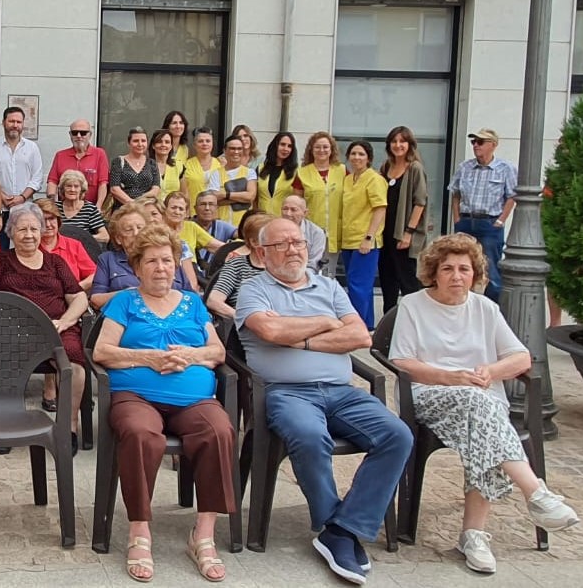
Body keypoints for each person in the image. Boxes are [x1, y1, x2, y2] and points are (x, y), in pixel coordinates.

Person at [235, 217, 412, 586]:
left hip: (342, 391)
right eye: (282, 244)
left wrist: (301, 339)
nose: (293, 250)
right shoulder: (254, 290)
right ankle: (335, 527)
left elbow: (361, 336)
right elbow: (270, 330)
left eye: (297, 242)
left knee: (398, 435)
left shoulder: (329, 286)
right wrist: (326, 323)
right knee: (309, 435)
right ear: (262, 253)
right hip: (285, 391)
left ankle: (341, 530)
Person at [388, 234, 579, 574]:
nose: (457, 276)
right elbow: (402, 362)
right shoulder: (413, 305)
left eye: (464, 269)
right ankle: (532, 495)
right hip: (429, 395)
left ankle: (473, 536)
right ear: (434, 272)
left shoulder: (486, 308)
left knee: (482, 421)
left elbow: (520, 357)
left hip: (479, 402)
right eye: (448, 268)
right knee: (483, 408)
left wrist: (490, 371)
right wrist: (453, 378)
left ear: (475, 274)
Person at [92, 224, 236, 583]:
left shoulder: (193, 303)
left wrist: (191, 355)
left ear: (176, 265)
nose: (161, 268)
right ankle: (139, 531)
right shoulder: (124, 301)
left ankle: (202, 534)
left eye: (167, 261)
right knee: (141, 434)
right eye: (152, 261)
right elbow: (102, 352)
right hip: (136, 396)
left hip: (193, 399)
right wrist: (148, 358)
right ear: (137, 267)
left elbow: (217, 351)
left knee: (219, 430)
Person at [0, 203, 90, 454]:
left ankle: (68, 427)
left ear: (41, 231)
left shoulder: (55, 262)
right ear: (11, 233)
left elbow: (79, 297)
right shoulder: (1, 260)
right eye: (22, 229)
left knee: (73, 360)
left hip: (54, 329)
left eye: (33, 228)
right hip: (13, 330)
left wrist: (66, 321)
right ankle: (5, 426)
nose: (29, 234)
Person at [449, 127, 516, 302]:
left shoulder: (505, 168)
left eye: (480, 142)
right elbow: (455, 193)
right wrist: (457, 218)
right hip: (466, 221)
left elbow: (511, 196)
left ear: (493, 145)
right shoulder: (465, 167)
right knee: (462, 266)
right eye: (473, 142)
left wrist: (501, 221)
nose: (476, 146)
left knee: (491, 271)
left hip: (489, 224)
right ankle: (463, 305)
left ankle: (493, 311)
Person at [93, 204, 194, 310]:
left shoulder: (166, 256)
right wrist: (130, 293)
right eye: (128, 230)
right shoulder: (108, 260)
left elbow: (190, 296)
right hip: (128, 317)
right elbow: (96, 300)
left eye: (140, 228)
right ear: (118, 238)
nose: (136, 233)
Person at [338, 140, 389, 330]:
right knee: (360, 287)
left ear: (369, 158)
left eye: (361, 154)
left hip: (365, 241)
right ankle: (366, 326)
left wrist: (369, 237)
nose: (356, 158)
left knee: (359, 286)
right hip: (348, 240)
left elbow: (380, 208)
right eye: (353, 154)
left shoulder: (374, 179)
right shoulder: (348, 178)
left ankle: (354, 327)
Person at [378, 126, 428, 312]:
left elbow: (420, 202)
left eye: (402, 141)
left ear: (410, 144)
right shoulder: (386, 167)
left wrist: (409, 233)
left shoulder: (415, 168)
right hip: (384, 232)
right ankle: (388, 324)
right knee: (387, 280)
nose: (398, 145)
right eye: (394, 141)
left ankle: (413, 322)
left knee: (407, 282)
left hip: (403, 234)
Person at [206, 214, 273, 319]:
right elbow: (213, 301)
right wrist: (245, 318)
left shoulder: (280, 266)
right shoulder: (236, 265)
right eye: (271, 237)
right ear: (254, 242)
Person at [297, 132, 347, 271]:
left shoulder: (342, 170)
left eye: (325, 147)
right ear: (311, 150)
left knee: (329, 272)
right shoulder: (302, 173)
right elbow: (297, 202)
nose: (322, 150)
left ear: (331, 149)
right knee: (308, 269)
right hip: (310, 230)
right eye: (317, 147)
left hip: (335, 229)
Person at [0, 106, 44, 225]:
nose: (15, 125)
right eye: (11, 121)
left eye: (19, 122)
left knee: (23, 242)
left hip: (25, 207)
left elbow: (37, 178)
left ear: (23, 124)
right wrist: (1, 196)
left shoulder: (32, 148)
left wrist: (22, 197)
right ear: (3, 123)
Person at [34, 198, 97, 291]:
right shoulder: (29, 247)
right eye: (42, 220)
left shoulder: (74, 245)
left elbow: (94, 275)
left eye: (51, 218)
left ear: (58, 220)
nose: (48, 224)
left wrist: (75, 290)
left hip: (73, 298)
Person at [47, 119, 110, 203]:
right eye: (75, 133)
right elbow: (52, 181)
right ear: (70, 135)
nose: (79, 136)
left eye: (83, 133)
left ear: (90, 135)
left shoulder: (99, 154)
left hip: (91, 209)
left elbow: (103, 183)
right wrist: (52, 204)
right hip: (65, 208)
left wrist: (98, 207)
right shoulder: (60, 155)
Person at [160, 192, 215, 287]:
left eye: (181, 209)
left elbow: (217, 246)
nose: (177, 212)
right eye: (173, 207)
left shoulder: (191, 227)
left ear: (186, 213)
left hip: (192, 272)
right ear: (165, 209)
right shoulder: (157, 229)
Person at [109, 127, 161, 208]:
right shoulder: (118, 162)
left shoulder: (152, 163)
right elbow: (114, 189)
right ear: (128, 143)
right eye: (136, 141)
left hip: (145, 209)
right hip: (123, 210)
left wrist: (141, 201)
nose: (140, 144)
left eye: (143, 141)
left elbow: (156, 189)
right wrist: (132, 204)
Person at [56, 169, 108, 243]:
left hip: (82, 251)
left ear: (82, 189)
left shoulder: (90, 209)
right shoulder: (55, 208)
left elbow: (105, 236)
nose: (72, 189)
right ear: (62, 189)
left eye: (76, 186)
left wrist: (81, 238)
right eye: (68, 186)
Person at [217, 134, 258, 226]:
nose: (236, 152)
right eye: (232, 148)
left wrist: (225, 195)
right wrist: (242, 197)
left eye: (239, 149)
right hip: (222, 225)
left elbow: (251, 196)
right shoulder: (215, 174)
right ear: (224, 150)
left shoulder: (250, 173)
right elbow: (215, 199)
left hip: (244, 225)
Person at [280, 195, 327, 273]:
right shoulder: (272, 230)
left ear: (305, 213)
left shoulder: (316, 233)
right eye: (285, 209)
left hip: (305, 275)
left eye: (293, 210)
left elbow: (313, 263)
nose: (288, 213)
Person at [256, 132, 298, 216]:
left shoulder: (296, 172)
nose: (286, 149)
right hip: (262, 220)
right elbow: (255, 199)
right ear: (275, 146)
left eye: (289, 146)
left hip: (284, 221)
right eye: (282, 144)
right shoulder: (260, 168)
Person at [180, 127, 225, 205]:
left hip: (216, 212)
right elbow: (184, 193)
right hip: (193, 212)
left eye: (208, 141)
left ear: (212, 144)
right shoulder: (186, 165)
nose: (204, 144)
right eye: (200, 141)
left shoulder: (220, 164)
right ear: (194, 145)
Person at [191, 191, 234, 264]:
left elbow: (243, 234)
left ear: (217, 208)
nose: (207, 208)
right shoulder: (187, 226)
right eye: (203, 204)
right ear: (195, 208)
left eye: (211, 204)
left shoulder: (222, 226)